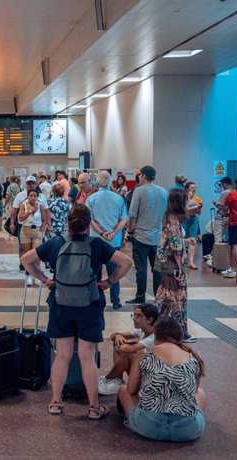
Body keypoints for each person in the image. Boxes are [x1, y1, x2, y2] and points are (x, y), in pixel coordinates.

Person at [21, 204, 132, 419]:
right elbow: (126, 262)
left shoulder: (56, 242)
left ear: (69, 224)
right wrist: (109, 282)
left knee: (62, 355)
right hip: (89, 305)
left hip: (61, 304)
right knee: (86, 356)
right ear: (88, 226)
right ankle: (93, 407)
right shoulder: (97, 244)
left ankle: (55, 402)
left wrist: (45, 280)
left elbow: (26, 260)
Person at [118, 316, 206, 442]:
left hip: (147, 427)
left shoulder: (144, 353)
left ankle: (136, 418)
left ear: (155, 335)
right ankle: (192, 420)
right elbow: (193, 392)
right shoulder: (193, 356)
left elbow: (131, 389)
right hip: (187, 431)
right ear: (179, 335)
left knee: (123, 390)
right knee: (201, 393)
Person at [156, 189, 196, 343]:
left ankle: (152, 323)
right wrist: (180, 268)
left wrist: (186, 241)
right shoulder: (174, 222)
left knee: (165, 294)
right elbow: (176, 247)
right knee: (179, 297)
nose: (187, 203)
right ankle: (181, 332)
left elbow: (170, 241)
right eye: (185, 201)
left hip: (165, 262)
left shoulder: (169, 218)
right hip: (172, 264)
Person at [86, 170, 128, 310]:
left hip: (96, 241)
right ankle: (115, 301)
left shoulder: (91, 199)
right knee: (114, 273)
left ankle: (95, 298)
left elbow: (89, 219)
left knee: (95, 272)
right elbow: (124, 219)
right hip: (113, 242)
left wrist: (102, 233)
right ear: (111, 181)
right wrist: (114, 232)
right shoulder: (118, 198)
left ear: (97, 182)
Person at [127, 165, 168, 304]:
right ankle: (158, 296)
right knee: (157, 269)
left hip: (140, 236)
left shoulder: (139, 191)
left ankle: (140, 296)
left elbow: (132, 214)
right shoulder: (163, 192)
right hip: (157, 237)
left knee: (141, 269)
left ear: (143, 175)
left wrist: (131, 230)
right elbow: (165, 214)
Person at [98, 303, 159, 395]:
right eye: (134, 315)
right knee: (120, 345)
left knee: (128, 352)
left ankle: (108, 378)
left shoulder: (154, 337)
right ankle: (117, 381)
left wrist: (119, 340)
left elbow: (128, 349)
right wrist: (118, 336)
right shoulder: (141, 330)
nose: (134, 318)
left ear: (150, 320)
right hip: (144, 370)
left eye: (139, 316)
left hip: (151, 378)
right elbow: (113, 335)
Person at [18, 188, 44, 287]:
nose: (33, 197)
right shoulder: (23, 205)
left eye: (35, 196)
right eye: (31, 196)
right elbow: (20, 218)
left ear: (37, 197)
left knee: (36, 255)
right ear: (28, 196)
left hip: (36, 231)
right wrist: (29, 211)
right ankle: (28, 275)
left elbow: (44, 218)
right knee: (28, 255)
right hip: (25, 231)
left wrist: (42, 229)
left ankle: (36, 276)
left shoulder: (40, 205)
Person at [221, 175, 237, 279]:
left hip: (236, 223)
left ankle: (234, 269)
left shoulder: (233, 194)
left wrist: (225, 213)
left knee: (236, 246)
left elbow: (225, 209)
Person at [182, 181, 202, 270]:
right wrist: (189, 199)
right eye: (192, 188)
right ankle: (180, 260)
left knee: (192, 240)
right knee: (181, 239)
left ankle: (191, 262)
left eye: (195, 188)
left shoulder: (198, 199)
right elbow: (182, 209)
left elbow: (199, 212)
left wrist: (198, 208)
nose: (194, 189)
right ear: (187, 189)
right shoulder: (183, 198)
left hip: (194, 219)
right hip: (184, 218)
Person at [211, 176, 232, 244]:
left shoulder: (224, 192)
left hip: (222, 216)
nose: (222, 186)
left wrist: (215, 203)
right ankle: (213, 253)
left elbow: (221, 207)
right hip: (230, 217)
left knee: (218, 237)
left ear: (224, 184)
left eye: (222, 184)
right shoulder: (234, 192)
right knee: (222, 235)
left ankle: (217, 254)